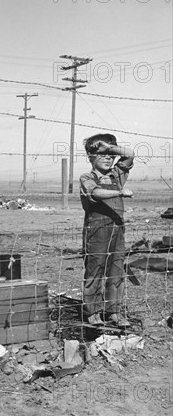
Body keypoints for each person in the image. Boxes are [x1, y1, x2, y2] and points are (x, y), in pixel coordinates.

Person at [79, 133, 135, 327]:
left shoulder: (116, 175)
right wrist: (119, 192)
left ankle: (114, 313)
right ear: (90, 157)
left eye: (110, 154)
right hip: (97, 232)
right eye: (101, 154)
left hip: (117, 230)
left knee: (116, 272)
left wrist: (107, 147)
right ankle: (92, 313)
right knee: (95, 272)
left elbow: (129, 154)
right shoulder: (88, 177)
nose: (108, 158)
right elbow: (95, 192)